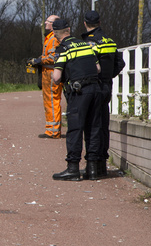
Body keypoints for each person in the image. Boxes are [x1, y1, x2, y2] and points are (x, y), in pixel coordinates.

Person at [51, 18, 103, 181]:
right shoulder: (85, 45)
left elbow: (56, 78)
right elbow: (98, 68)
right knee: (93, 128)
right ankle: (92, 169)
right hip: (96, 89)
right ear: (69, 30)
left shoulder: (63, 48)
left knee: (75, 129)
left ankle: (73, 168)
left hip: (79, 92)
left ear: (55, 34)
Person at [81, 10, 126, 177]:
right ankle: (101, 165)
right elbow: (120, 63)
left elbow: (87, 66)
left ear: (85, 23)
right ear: (99, 23)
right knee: (103, 125)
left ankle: (92, 167)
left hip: (93, 87)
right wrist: (108, 76)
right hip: (106, 86)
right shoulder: (109, 41)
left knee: (92, 125)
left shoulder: (88, 43)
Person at [29, 15, 63, 139]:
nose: (45, 23)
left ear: (53, 24)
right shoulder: (49, 37)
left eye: (47, 22)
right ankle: (50, 129)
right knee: (49, 102)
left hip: (52, 74)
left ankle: (53, 131)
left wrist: (39, 60)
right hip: (47, 74)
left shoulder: (54, 38)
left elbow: (54, 57)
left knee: (52, 101)